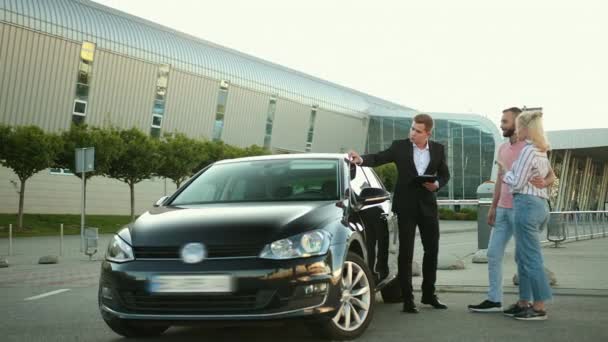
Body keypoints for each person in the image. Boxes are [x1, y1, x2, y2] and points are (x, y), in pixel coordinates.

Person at [348, 113, 450, 314]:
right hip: (405, 207)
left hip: (428, 207)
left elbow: (445, 174)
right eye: (412, 128)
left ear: (427, 133)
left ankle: (429, 294)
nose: (413, 133)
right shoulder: (399, 146)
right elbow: (379, 157)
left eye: (418, 131)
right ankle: (408, 299)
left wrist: (436, 184)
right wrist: (361, 159)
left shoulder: (438, 149)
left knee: (432, 251)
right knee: (406, 254)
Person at [468, 107, 555, 313]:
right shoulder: (507, 149)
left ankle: (533, 304)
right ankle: (499, 299)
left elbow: (547, 177)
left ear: (519, 124)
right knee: (498, 254)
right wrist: (493, 206)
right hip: (507, 208)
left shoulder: (530, 148)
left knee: (526, 257)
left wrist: (543, 183)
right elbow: (500, 179)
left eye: (505, 121)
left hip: (523, 206)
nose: (502, 124)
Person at [500, 110, 553, 320]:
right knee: (522, 256)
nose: (517, 129)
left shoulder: (528, 151)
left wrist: (505, 171)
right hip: (540, 205)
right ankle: (524, 302)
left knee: (531, 258)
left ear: (526, 129)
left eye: (519, 126)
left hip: (526, 205)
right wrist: (543, 181)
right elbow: (549, 175)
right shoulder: (541, 151)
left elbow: (517, 182)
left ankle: (539, 307)